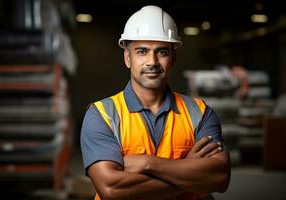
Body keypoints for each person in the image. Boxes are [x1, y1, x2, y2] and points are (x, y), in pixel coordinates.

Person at [80, 5, 230, 200]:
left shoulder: (200, 112)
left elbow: (219, 177)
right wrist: (188, 170)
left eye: (161, 52)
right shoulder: (102, 115)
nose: (152, 61)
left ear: (173, 59)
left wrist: (149, 163)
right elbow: (112, 190)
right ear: (127, 58)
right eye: (142, 51)